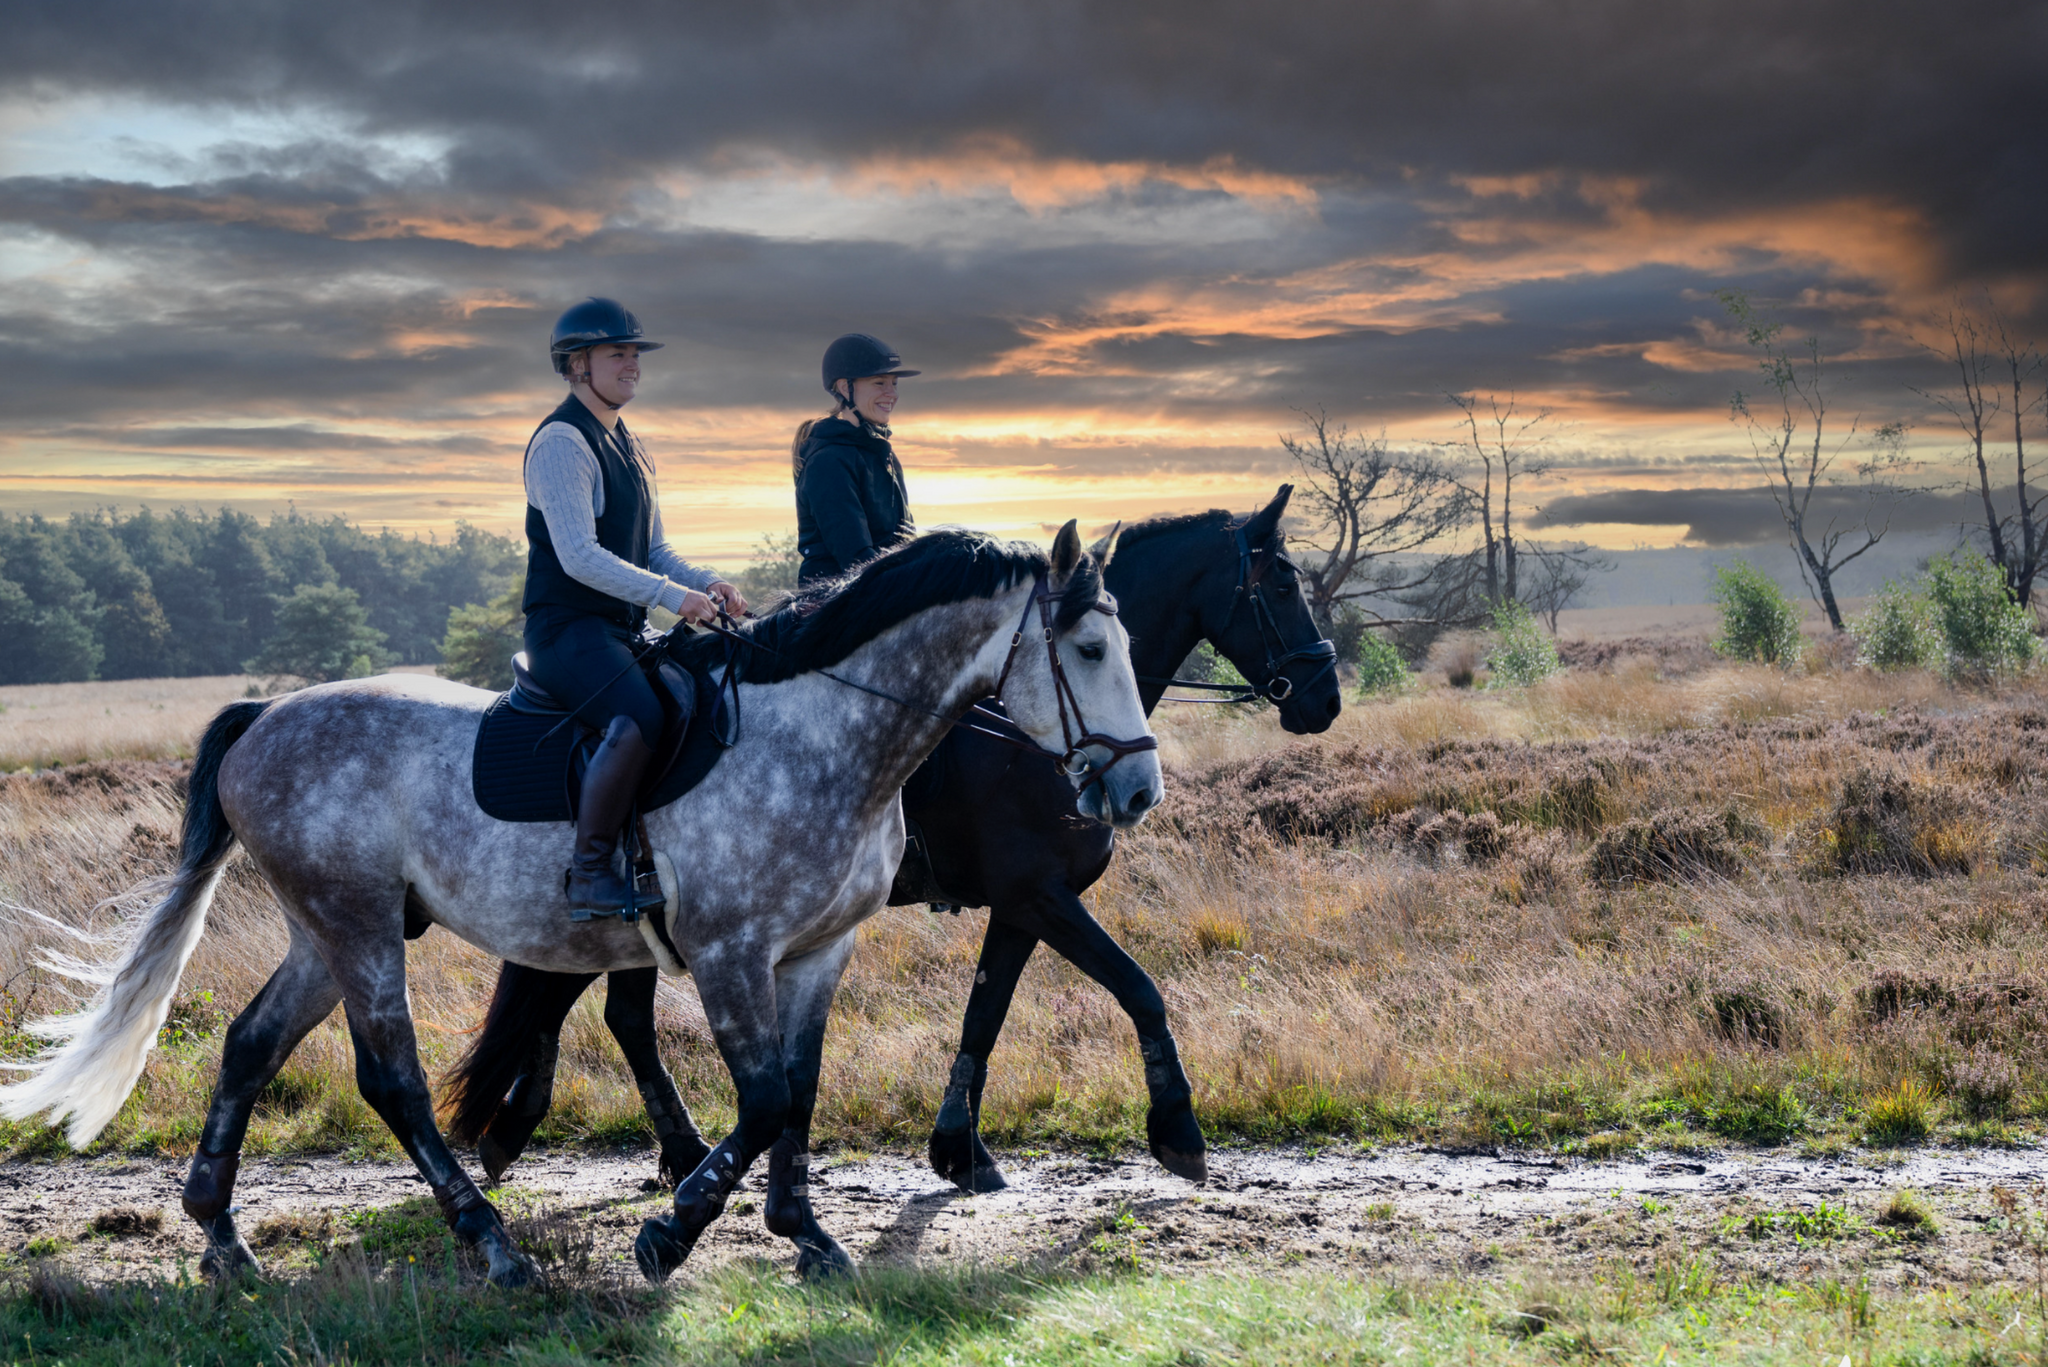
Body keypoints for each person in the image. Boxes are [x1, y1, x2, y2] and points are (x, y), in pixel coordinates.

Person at [521, 297, 745, 916]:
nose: (631, 364)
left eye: (634, 353)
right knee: (641, 715)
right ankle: (590, 873)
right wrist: (673, 598)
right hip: (566, 630)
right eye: (616, 353)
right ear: (575, 365)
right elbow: (579, 557)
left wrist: (709, 582)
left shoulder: (632, 445)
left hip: (620, 630)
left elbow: (655, 549)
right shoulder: (562, 442)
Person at [792, 333, 920, 586]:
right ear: (844, 387)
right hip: (834, 600)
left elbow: (905, 540)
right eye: (879, 383)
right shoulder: (828, 462)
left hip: (880, 588)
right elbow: (856, 558)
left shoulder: (884, 455)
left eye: (894, 383)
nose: (891, 393)